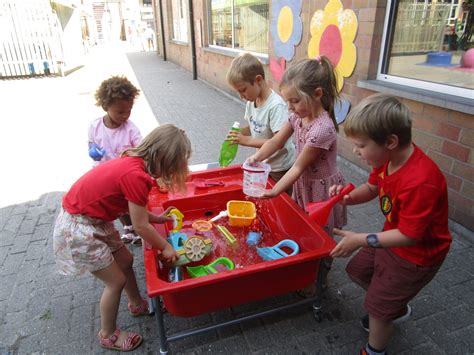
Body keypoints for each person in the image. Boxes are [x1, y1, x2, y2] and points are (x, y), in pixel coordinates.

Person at [328, 94, 452, 355]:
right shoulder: (385, 160)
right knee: (358, 271)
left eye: (361, 145)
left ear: (391, 142)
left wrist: (359, 238)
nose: (355, 151)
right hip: (390, 238)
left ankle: (376, 345)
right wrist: (347, 198)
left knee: (376, 307)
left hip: (415, 256)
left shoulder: (421, 181)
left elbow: (409, 236)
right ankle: (391, 308)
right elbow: (372, 187)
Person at [53, 124, 191, 352]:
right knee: (115, 281)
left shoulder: (134, 163)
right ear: (166, 161)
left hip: (93, 220)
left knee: (125, 261)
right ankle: (107, 335)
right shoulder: (137, 176)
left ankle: (137, 304)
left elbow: (133, 209)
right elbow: (139, 226)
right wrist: (165, 247)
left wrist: (156, 218)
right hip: (80, 228)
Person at [246, 56, 347, 294]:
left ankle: (322, 275)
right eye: (287, 101)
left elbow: (298, 167)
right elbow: (277, 140)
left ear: (317, 94)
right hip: (304, 184)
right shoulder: (298, 116)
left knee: (322, 233)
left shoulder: (322, 129)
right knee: (303, 225)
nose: (289, 108)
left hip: (321, 189)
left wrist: (274, 190)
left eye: (294, 101)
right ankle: (307, 268)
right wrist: (257, 156)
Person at [226, 52, 296, 190]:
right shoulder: (252, 102)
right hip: (264, 162)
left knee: (281, 201)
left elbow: (278, 142)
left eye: (243, 90)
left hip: (280, 167)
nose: (242, 96)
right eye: (238, 93)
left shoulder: (276, 106)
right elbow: (253, 126)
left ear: (258, 80)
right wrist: (239, 132)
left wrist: (246, 141)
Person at [89, 76, 143, 244]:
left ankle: (139, 226)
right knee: (116, 205)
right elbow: (91, 143)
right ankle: (127, 227)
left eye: (129, 111)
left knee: (130, 203)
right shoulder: (95, 126)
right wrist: (93, 151)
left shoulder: (130, 129)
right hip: (105, 175)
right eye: (120, 111)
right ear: (106, 106)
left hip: (125, 176)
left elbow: (142, 149)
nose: (125, 115)